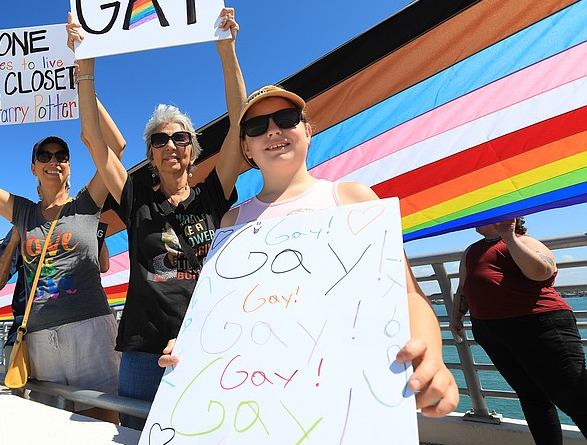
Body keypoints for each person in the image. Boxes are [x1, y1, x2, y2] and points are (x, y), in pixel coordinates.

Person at [159, 84, 459, 417]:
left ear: (307, 130)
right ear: (245, 146)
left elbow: (407, 293)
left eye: (286, 119)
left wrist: (432, 357)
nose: (273, 129)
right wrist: (191, 348)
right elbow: (216, 313)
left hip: (344, 396)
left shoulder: (353, 199)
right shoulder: (233, 219)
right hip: (253, 399)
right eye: (257, 127)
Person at [73, 8, 246, 429]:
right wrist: (85, 66)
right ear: (150, 154)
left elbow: (241, 124)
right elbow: (95, 140)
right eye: (159, 139)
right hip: (143, 353)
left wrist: (227, 50)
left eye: (180, 137)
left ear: (193, 149)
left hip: (208, 345)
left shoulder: (212, 195)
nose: (171, 145)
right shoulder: (134, 198)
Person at [0, 88, 126, 424]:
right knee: (48, 428)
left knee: (101, 425)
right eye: (44, 156)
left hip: (90, 328)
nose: (53, 161)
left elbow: (116, 147)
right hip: (38, 337)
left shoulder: (87, 204)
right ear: (33, 167)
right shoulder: (23, 212)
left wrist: (85, 88)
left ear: (69, 165)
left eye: (61, 155)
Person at [451, 217, 587, 445]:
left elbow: (541, 272)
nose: (475, 218)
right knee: (532, 397)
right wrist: (456, 315)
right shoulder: (472, 250)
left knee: (575, 396)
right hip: (492, 330)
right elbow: (464, 286)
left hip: (540, 325)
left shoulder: (526, 242)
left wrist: (509, 237)